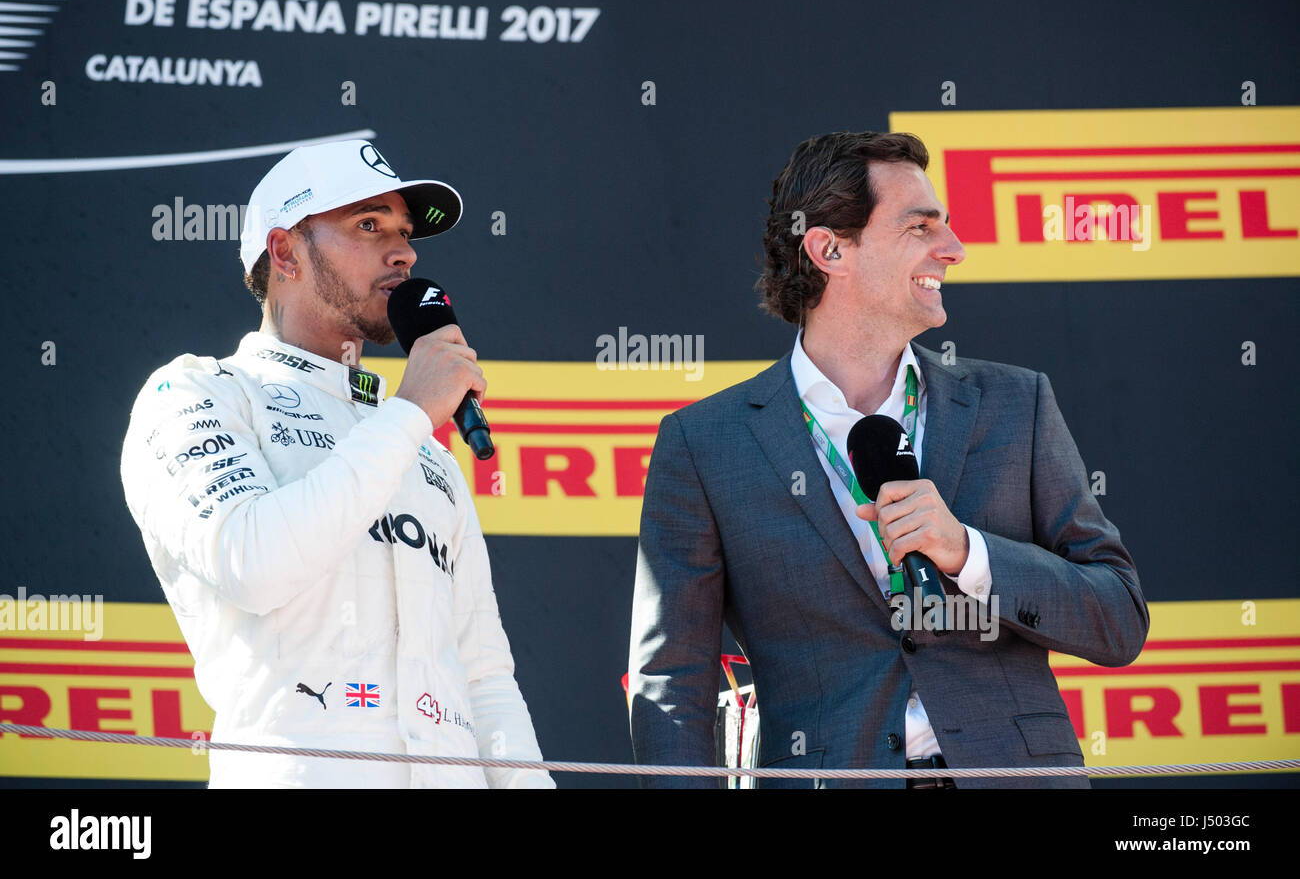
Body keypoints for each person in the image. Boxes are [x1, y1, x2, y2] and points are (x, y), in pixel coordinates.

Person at [627, 131, 1148, 789]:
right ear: (829, 248)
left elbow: (1119, 618)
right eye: (920, 228)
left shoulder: (1018, 404)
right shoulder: (705, 444)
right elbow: (673, 682)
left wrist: (969, 552)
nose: (953, 250)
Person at [121, 139, 554, 788]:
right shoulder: (197, 393)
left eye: (405, 232)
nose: (403, 251)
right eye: (369, 225)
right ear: (286, 251)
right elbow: (253, 562)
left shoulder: (421, 444)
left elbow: (484, 675)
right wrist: (409, 413)